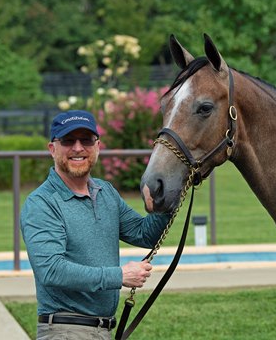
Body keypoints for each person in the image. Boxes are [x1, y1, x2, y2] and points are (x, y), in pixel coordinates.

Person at [21, 110, 170, 340]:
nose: (78, 148)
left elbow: (143, 234)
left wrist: (167, 200)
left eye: (86, 140)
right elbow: (51, 270)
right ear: (52, 149)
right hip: (65, 330)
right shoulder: (42, 203)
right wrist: (119, 276)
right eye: (68, 140)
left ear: (97, 146)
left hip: (102, 330)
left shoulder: (105, 192)